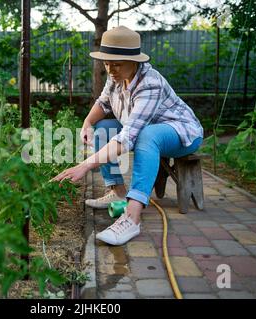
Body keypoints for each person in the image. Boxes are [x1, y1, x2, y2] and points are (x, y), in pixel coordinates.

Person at [52, 26, 203, 245]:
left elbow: (128, 137)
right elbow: (103, 103)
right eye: (107, 63)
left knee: (147, 135)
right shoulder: (117, 75)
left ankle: (132, 218)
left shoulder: (150, 84)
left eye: (116, 63)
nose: (110, 69)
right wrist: (87, 122)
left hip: (181, 132)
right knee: (103, 128)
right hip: (146, 131)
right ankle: (118, 191)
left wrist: (84, 165)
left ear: (135, 61)